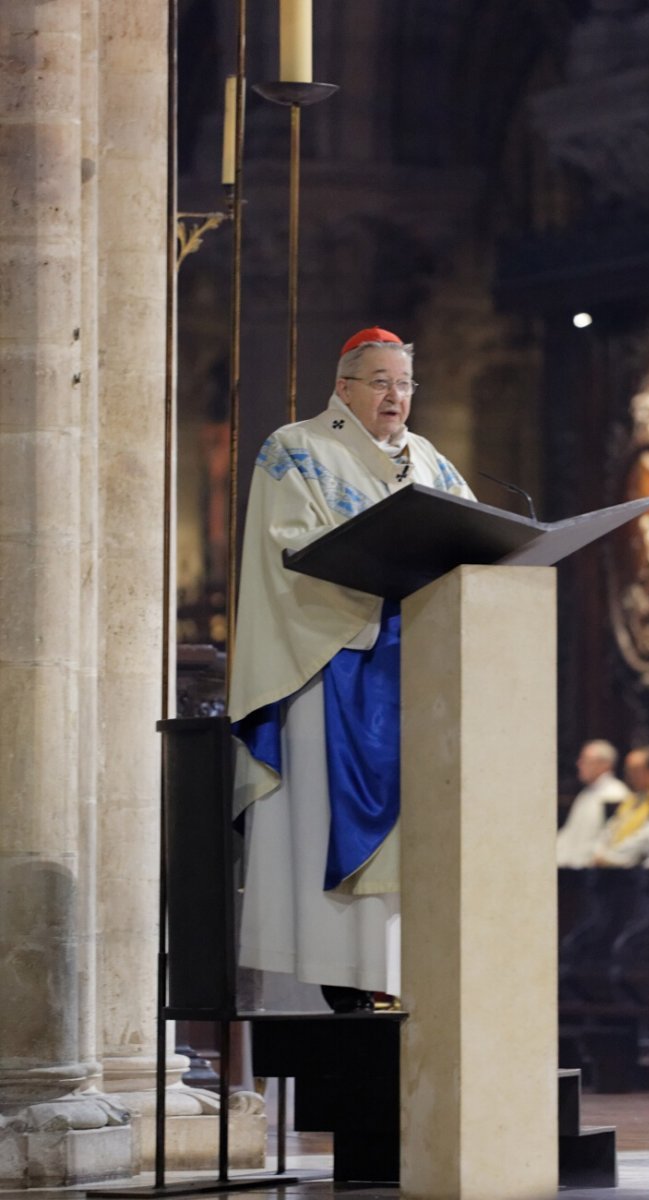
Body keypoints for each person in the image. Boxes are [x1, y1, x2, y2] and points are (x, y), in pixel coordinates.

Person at [229, 327, 475, 1010]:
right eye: (379, 381)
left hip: (416, 673)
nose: (395, 396)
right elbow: (290, 553)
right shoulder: (297, 449)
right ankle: (345, 986)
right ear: (343, 388)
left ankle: (409, 984)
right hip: (333, 665)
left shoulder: (427, 460)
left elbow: (470, 536)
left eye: (403, 383)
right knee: (326, 826)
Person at [592, 745, 649, 866]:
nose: (630, 775)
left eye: (636, 770)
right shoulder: (633, 798)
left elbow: (647, 837)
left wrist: (613, 857)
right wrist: (600, 851)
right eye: (628, 770)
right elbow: (611, 827)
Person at [556, 740, 630, 868]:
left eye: (585, 760)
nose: (579, 764)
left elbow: (611, 837)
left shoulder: (616, 794)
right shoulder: (586, 793)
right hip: (572, 867)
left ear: (605, 765)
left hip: (596, 870)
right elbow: (570, 834)